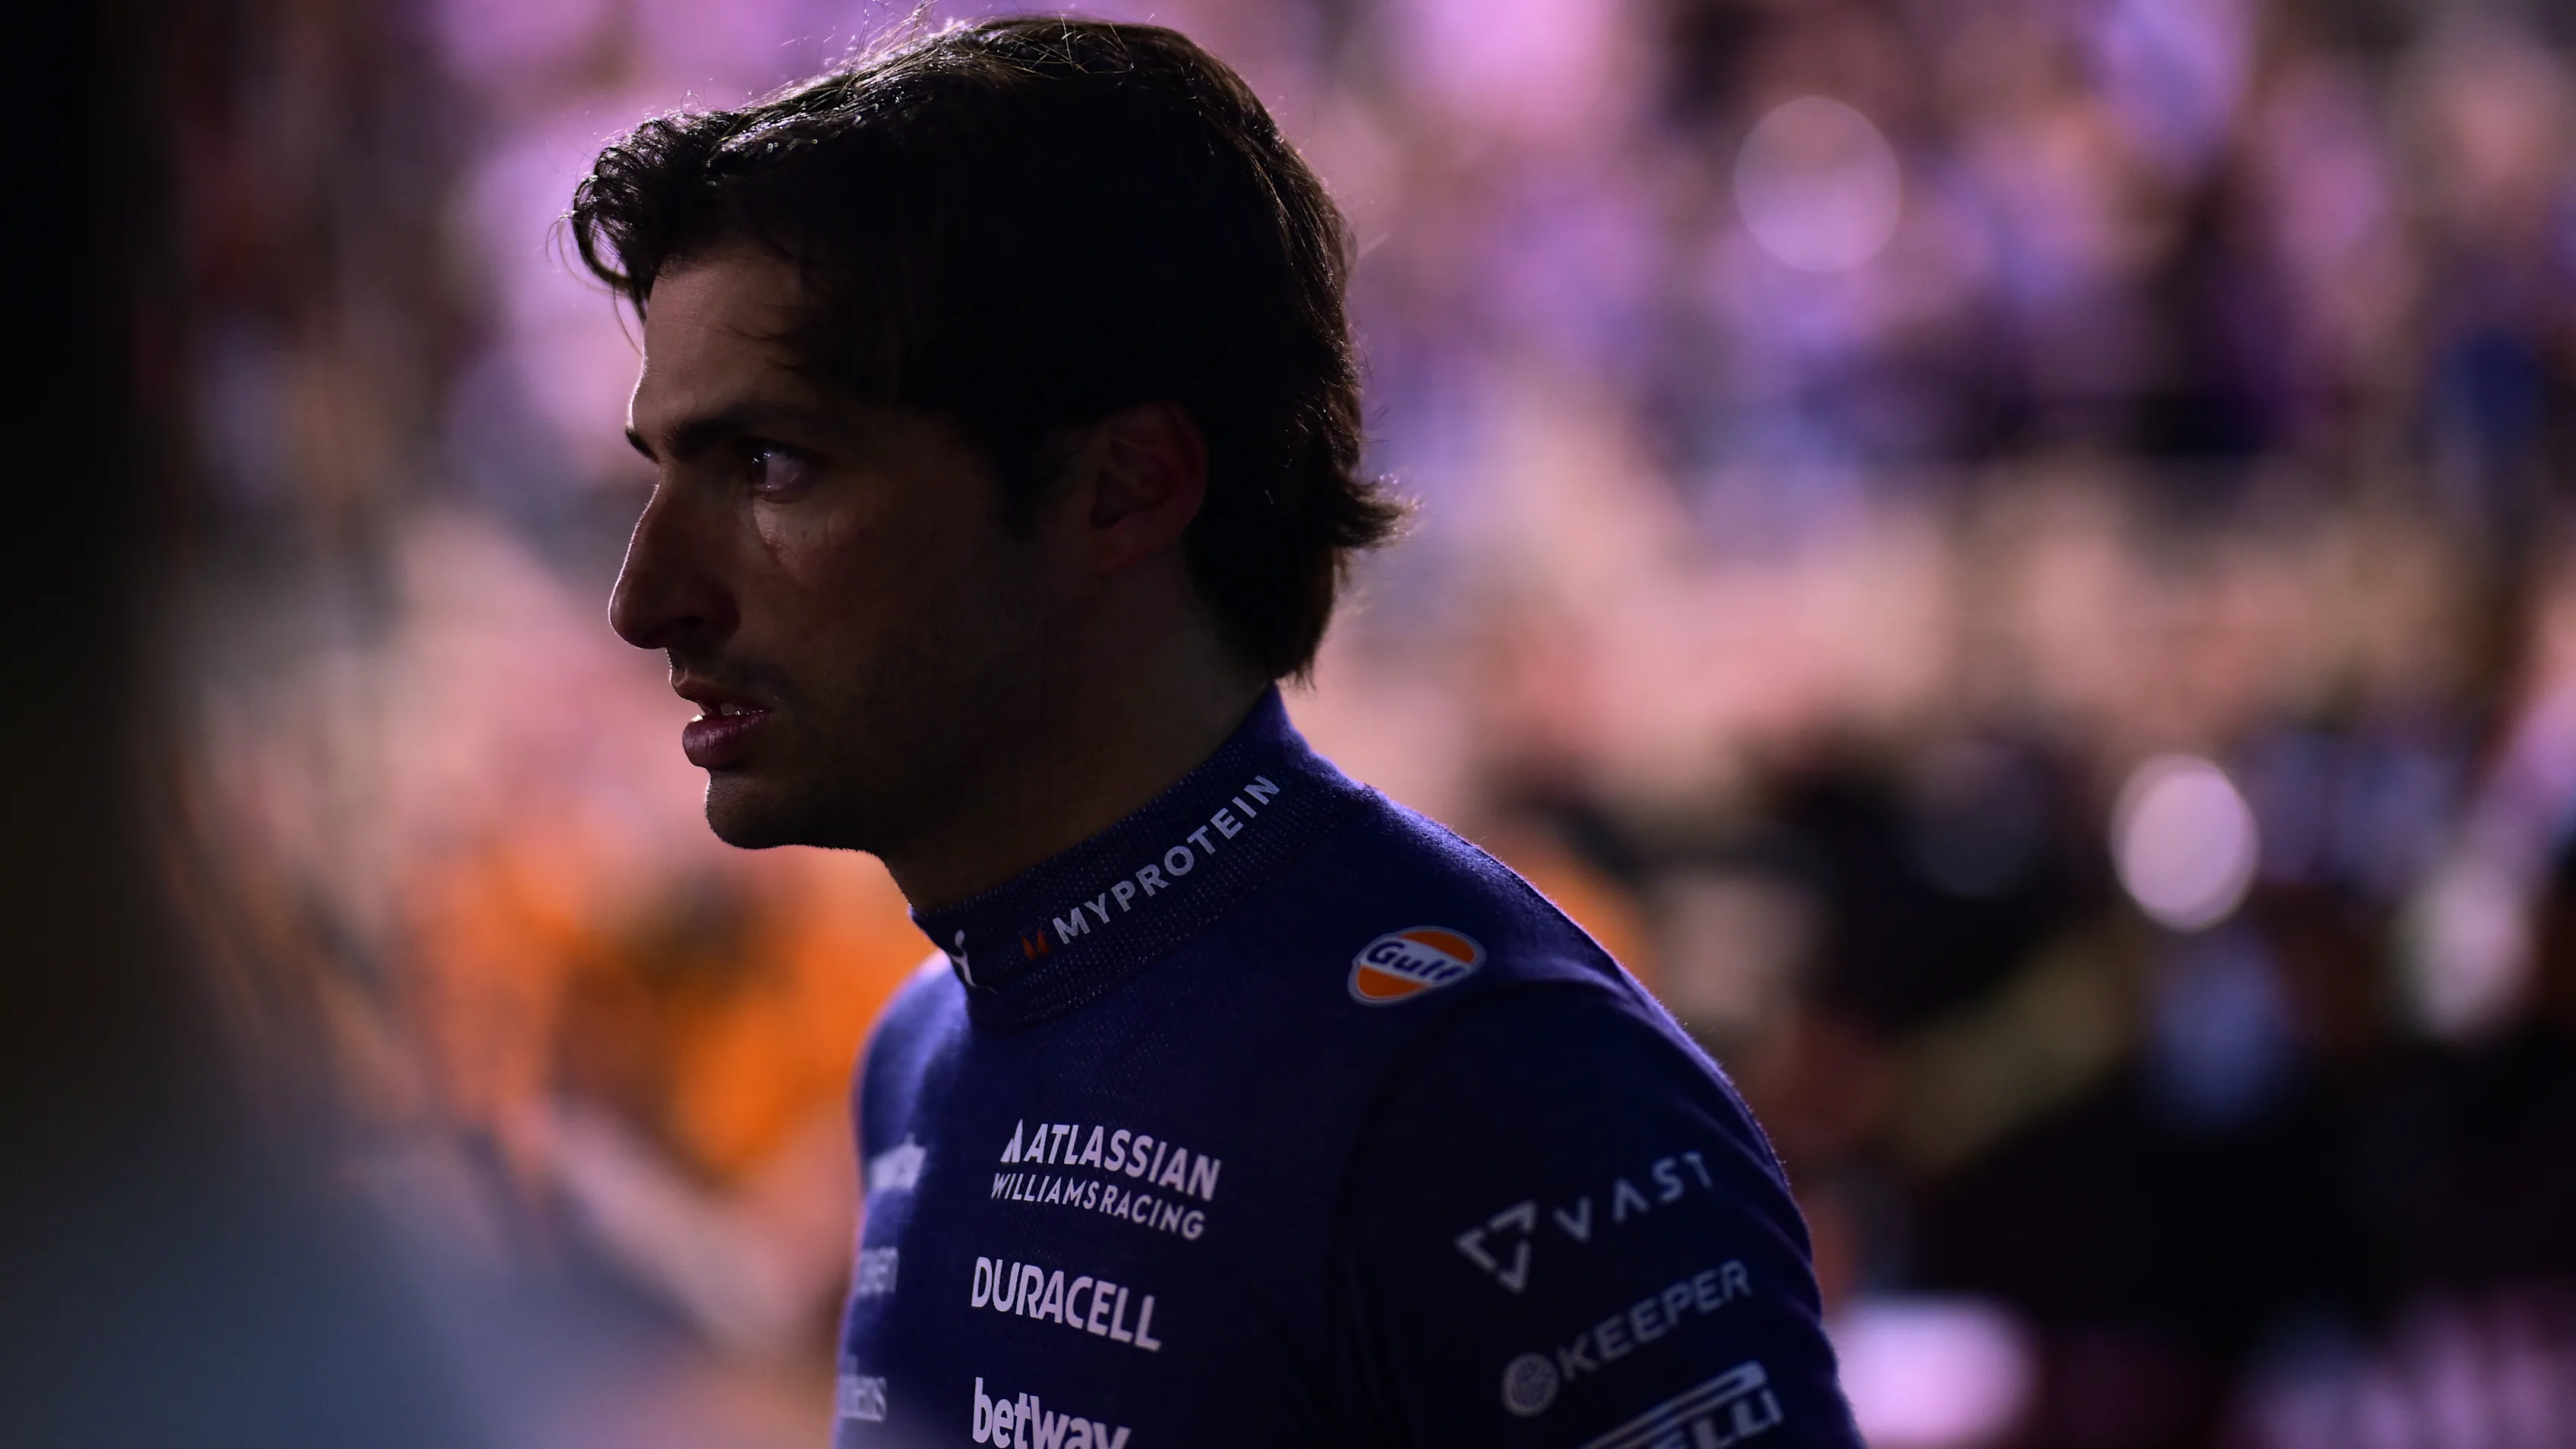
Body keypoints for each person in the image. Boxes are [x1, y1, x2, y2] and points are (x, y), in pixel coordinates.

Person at [574, 17, 1860, 1447]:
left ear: (1124, 487)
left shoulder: (1496, 1096)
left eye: (770, 464)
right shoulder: (921, 1054)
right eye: (661, 471)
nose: (646, 601)